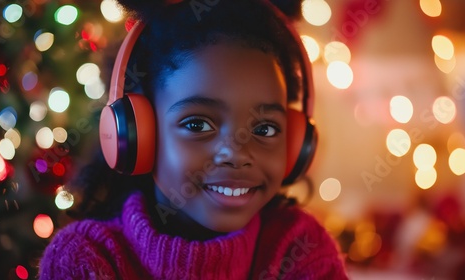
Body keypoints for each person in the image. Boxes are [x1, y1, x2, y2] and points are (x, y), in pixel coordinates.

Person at [38, 0, 349, 279]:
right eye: (198, 124)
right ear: (138, 134)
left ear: (297, 144)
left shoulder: (303, 251)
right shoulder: (84, 258)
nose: (236, 154)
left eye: (265, 129)